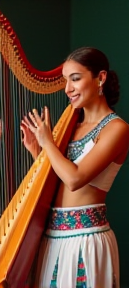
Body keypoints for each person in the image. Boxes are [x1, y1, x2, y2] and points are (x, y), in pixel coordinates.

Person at [20, 47, 129, 288]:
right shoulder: (73, 125)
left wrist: (47, 142)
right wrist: (37, 150)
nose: (67, 88)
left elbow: (75, 179)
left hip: (86, 238)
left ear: (100, 78)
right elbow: (59, 178)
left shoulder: (116, 129)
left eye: (75, 79)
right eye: (65, 80)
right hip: (53, 237)